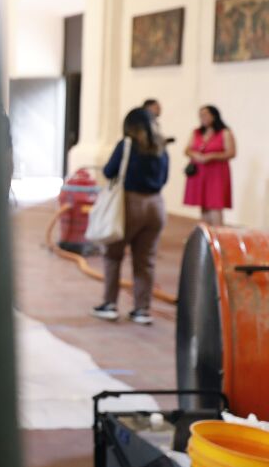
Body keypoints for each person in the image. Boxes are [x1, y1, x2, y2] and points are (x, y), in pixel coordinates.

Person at [91, 108, 169, 326]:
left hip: (129, 204)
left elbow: (108, 172)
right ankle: (142, 310)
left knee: (113, 255)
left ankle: (109, 304)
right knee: (145, 261)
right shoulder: (161, 147)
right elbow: (164, 179)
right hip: (156, 206)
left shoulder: (126, 145)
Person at [184, 104, 236, 227]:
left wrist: (211, 156)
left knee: (215, 204)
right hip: (200, 172)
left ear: (214, 116)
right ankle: (206, 238)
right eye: (200, 115)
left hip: (216, 172)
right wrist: (196, 155)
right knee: (204, 205)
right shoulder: (196, 132)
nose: (202, 117)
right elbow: (187, 149)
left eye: (205, 115)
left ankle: (218, 236)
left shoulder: (225, 132)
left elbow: (231, 152)